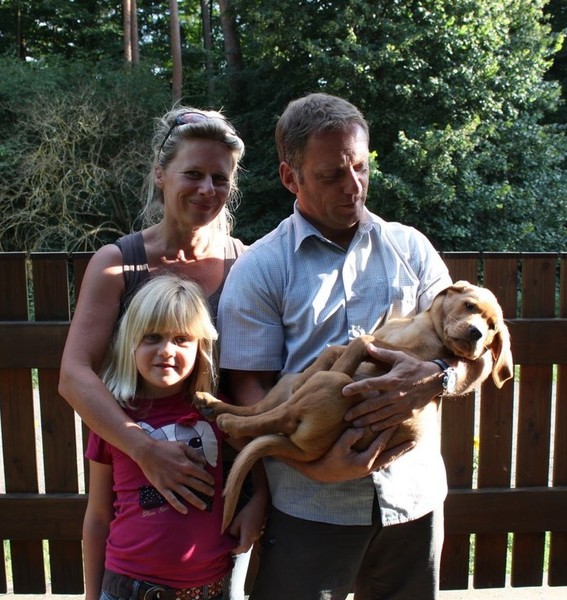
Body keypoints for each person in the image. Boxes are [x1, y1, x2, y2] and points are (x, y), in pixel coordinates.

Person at [218, 93, 490, 600]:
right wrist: (315, 467)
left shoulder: (410, 248)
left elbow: (479, 349)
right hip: (311, 506)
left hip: (412, 498)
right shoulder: (261, 269)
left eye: (361, 167)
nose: (353, 186)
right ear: (290, 177)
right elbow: (249, 393)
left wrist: (439, 378)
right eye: (330, 175)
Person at [58, 106, 258, 595]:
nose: (206, 189)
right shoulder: (117, 264)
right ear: (160, 174)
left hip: (225, 500)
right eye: (193, 173)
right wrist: (144, 449)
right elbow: (74, 375)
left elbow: (258, 387)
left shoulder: (248, 265)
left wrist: (260, 494)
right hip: (135, 481)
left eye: (220, 178)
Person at [83, 274, 267, 600]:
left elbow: (259, 452)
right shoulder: (112, 419)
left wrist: (259, 501)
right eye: (152, 337)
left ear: (201, 347)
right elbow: (98, 516)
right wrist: (91, 595)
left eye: (182, 339)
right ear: (130, 342)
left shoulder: (214, 410)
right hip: (127, 590)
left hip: (210, 589)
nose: (166, 351)